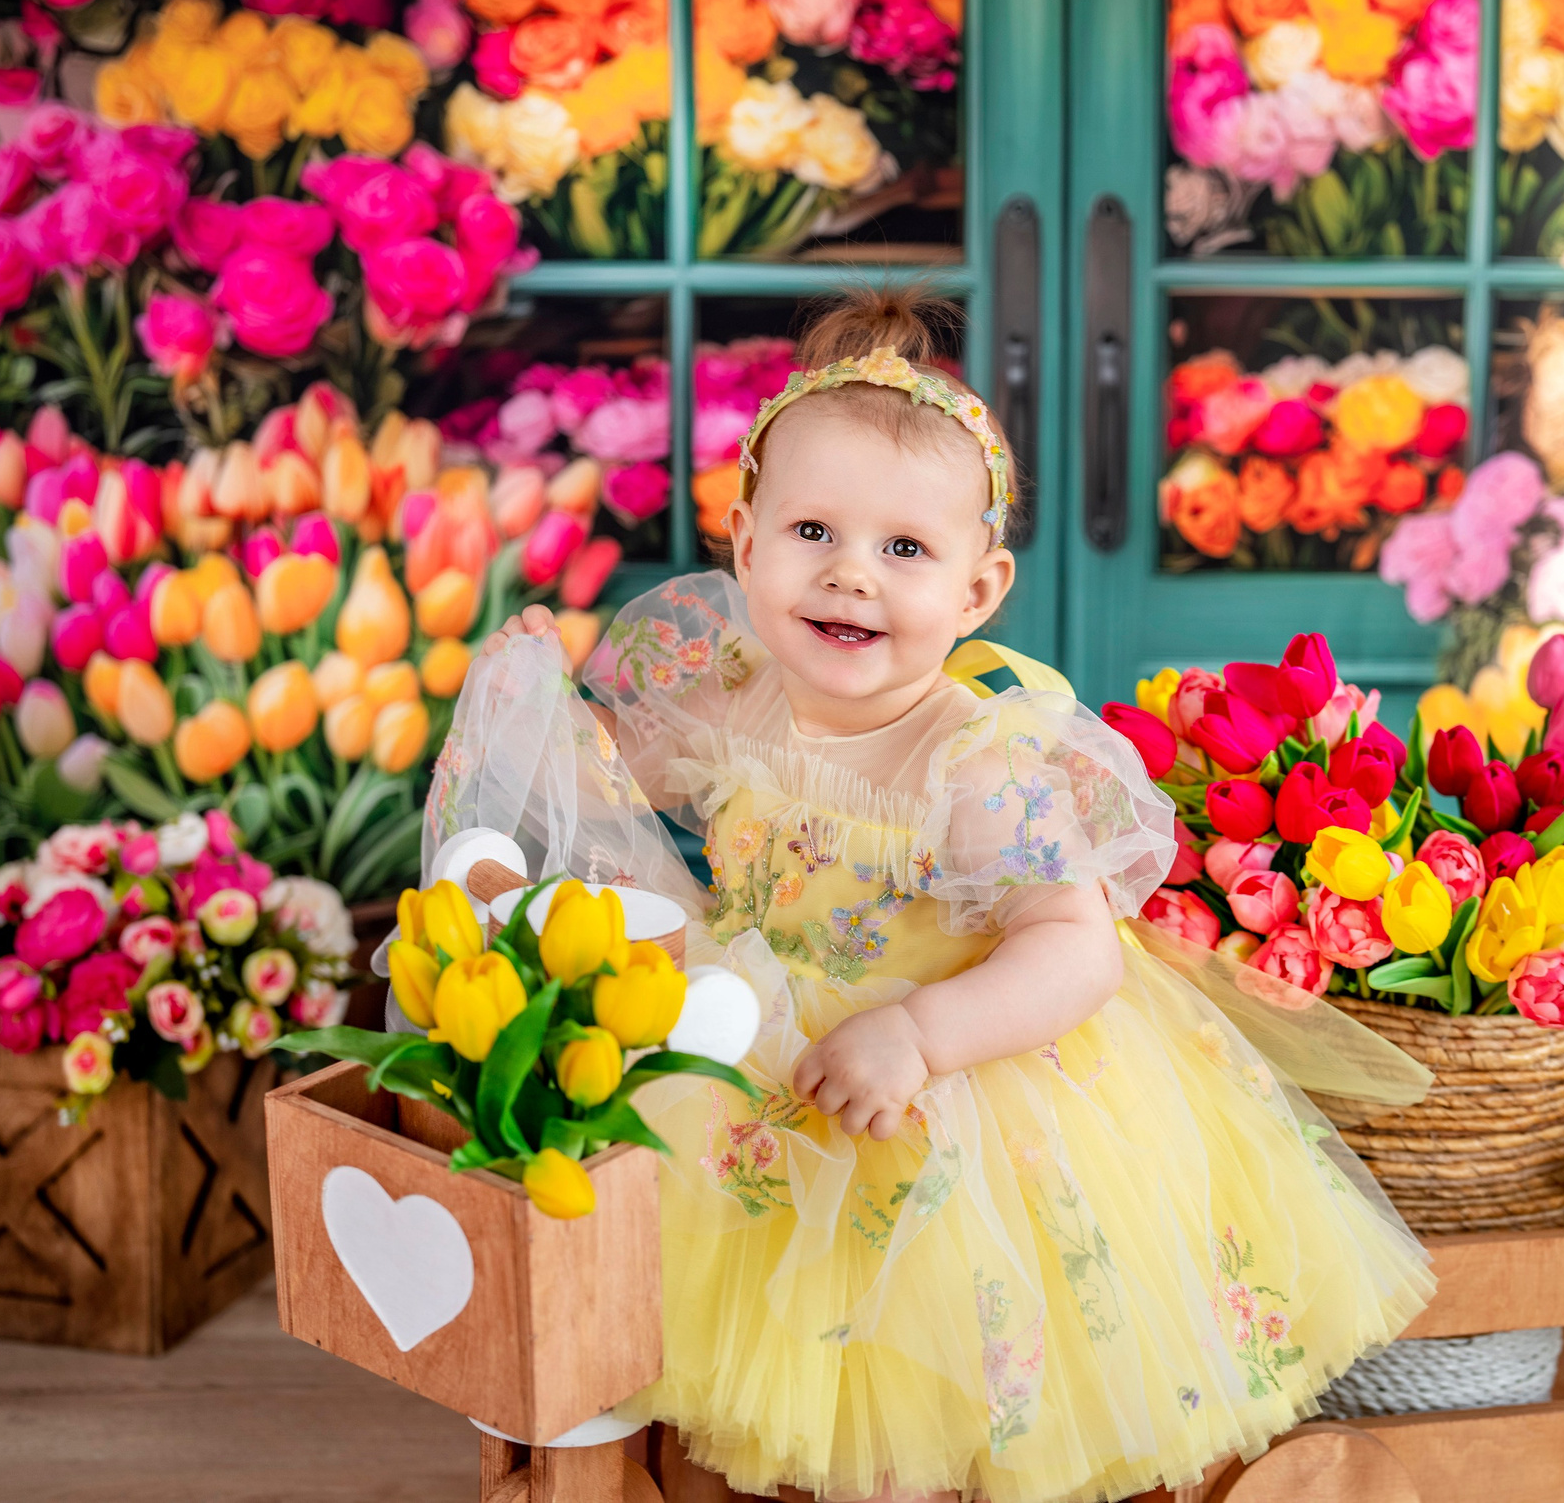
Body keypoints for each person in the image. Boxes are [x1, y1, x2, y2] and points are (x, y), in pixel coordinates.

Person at [453, 288, 1436, 1503]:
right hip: (758, 1055)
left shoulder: (975, 762)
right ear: (746, 544)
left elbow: (1077, 945)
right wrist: (537, 710)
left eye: (905, 550)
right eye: (813, 530)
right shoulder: (729, 690)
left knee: (909, 1391)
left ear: (977, 590)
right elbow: (607, 777)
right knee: (708, 1333)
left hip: (944, 1088)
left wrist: (920, 1034)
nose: (850, 575)